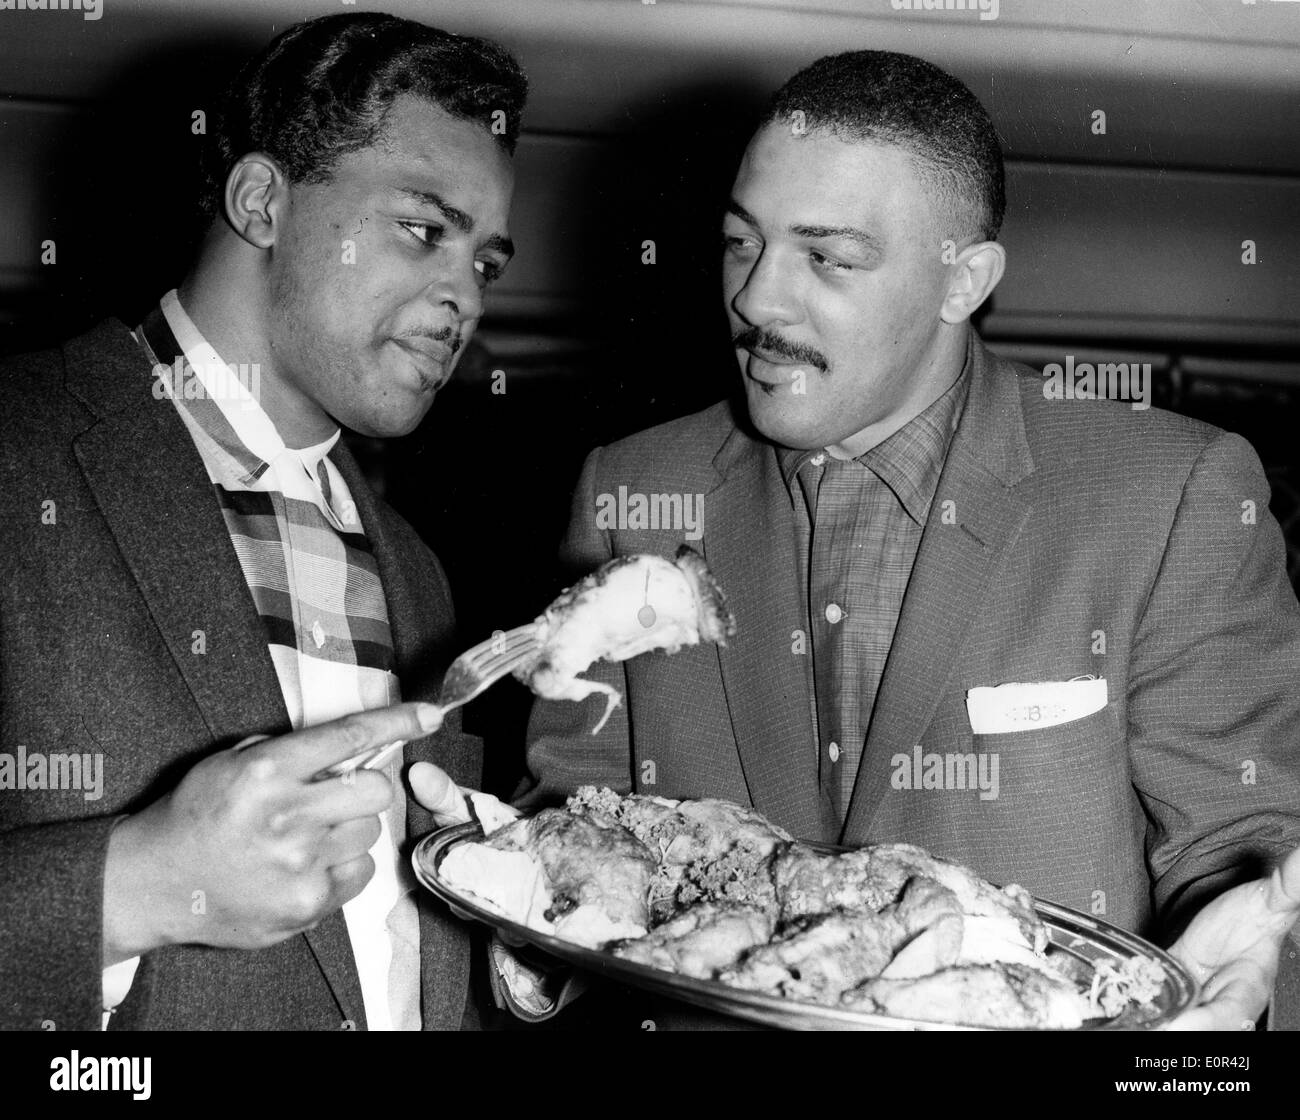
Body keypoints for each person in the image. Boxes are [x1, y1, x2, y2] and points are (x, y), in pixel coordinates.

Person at [431, 50, 1300, 1029]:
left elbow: (1249, 855)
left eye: (829, 258)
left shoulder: (1169, 493)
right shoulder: (634, 488)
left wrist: (1241, 1007)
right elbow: (574, 809)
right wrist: (531, 935)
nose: (757, 300)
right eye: (737, 244)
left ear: (960, 281)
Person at [0, 11, 526, 1030]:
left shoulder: (417, 570)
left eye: (487, 264)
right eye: (425, 229)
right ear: (261, 201)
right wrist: (140, 881)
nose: (465, 297)